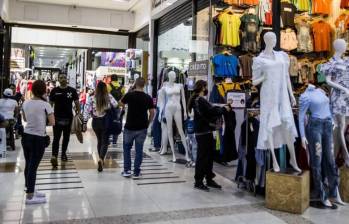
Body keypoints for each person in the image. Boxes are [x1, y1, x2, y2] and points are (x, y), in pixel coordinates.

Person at [187, 80, 232, 191]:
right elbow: (211, 111)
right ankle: (198, 181)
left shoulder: (198, 100)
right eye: (206, 86)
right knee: (203, 157)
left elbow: (210, 110)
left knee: (208, 157)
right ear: (203, 87)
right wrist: (224, 109)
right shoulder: (200, 100)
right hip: (203, 133)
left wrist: (222, 108)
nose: (207, 89)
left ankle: (208, 178)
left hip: (204, 132)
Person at [22, 80, 55, 204]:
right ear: (43, 90)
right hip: (38, 138)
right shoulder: (45, 105)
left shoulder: (26, 103)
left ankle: (30, 189)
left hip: (26, 136)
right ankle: (30, 196)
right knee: (33, 167)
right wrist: (42, 120)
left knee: (28, 164)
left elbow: (25, 118)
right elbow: (52, 122)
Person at [119, 77, 155, 178]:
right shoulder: (148, 97)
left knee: (127, 149)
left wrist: (128, 92)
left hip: (129, 126)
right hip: (142, 127)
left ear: (135, 84)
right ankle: (137, 172)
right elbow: (152, 112)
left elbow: (120, 103)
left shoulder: (130, 95)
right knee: (139, 150)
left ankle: (127, 170)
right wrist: (148, 123)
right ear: (144, 85)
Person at [83, 81, 118, 172]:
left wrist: (85, 122)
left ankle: (100, 159)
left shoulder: (91, 98)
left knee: (99, 140)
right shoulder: (108, 96)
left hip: (95, 122)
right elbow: (116, 104)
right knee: (105, 141)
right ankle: (101, 159)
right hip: (105, 121)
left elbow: (86, 111)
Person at [49, 74, 80, 167]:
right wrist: (49, 116)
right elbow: (50, 104)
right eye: (61, 77)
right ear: (58, 79)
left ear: (67, 79)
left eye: (64, 77)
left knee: (66, 137)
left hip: (68, 118)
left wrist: (78, 112)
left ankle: (63, 154)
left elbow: (77, 102)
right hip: (57, 118)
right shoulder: (54, 91)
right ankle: (54, 155)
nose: (63, 79)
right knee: (56, 138)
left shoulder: (72, 90)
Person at [107, 75, 125, 145]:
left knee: (109, 121)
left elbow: (107, 96)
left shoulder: (108, 86)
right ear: (117, 79)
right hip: (118, 107)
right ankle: (115, 140)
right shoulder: (122, 87)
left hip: (110, 107)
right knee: (117, 122)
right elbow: (124, 98)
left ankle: (108, 139)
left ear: (111, 79)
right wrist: (122, 107)